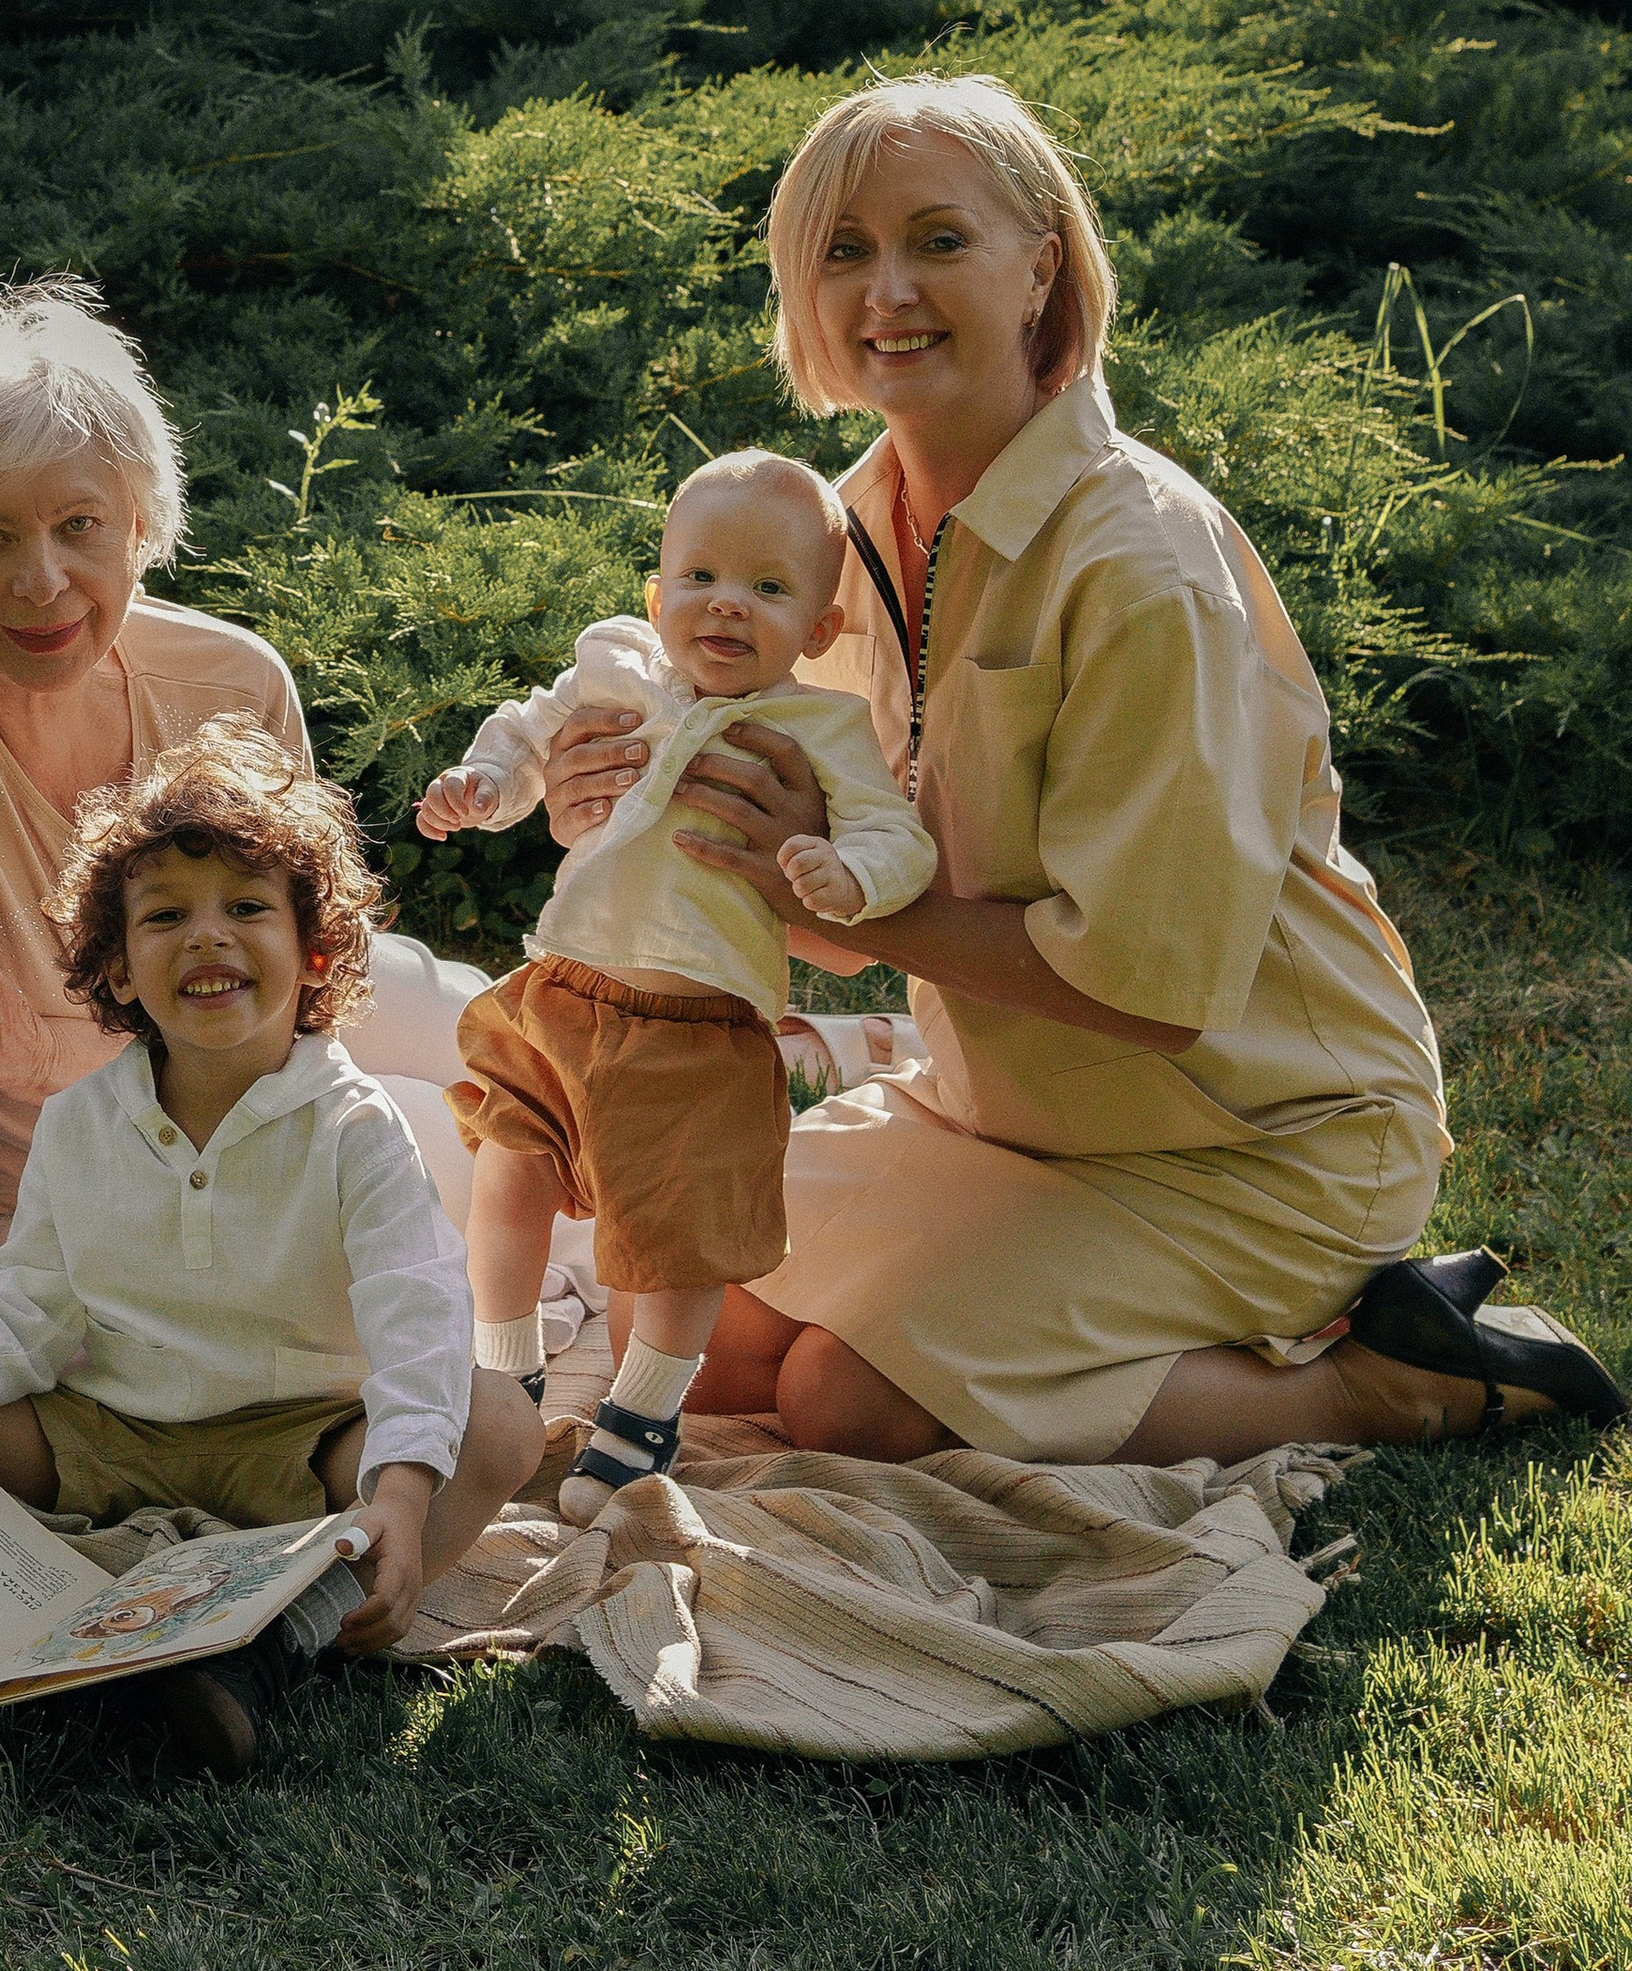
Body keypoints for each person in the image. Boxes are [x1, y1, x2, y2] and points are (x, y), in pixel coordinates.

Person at [552, 76, 1620, 1465]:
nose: (887, 290)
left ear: (1040, 267)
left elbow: (1151, 989)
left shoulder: (1146, 565)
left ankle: (1392, 1381)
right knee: (678, 1315)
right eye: (843, 249)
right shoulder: (824, 541)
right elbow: (839, 918)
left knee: (842, 1401)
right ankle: (1076, 1331)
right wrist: (642, 819)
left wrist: (840, 890)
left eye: (939, 240)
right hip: (1003, 1114)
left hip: (1255, 1136)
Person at [0, 718, 542, 1777]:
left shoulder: (356, 1129)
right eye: (165, 916)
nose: (207, 937)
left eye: (246, 909)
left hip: (303, 1447)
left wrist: (401, 1497)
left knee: (498, 1424)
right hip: (102, 1437)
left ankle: (273, 1645)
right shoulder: (81, 1121)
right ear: (119, 970)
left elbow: (416, 1317)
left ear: (315, 951)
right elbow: (30, 1302)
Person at [0, 279, 489, 1348]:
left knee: (513, 1056)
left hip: (236, 1069)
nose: (42, 582)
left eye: (79, 525)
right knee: (446, 1146)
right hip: (67, 1180)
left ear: (139, 522)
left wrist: (35, 1053)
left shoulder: (233, 682)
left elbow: (294, 1025)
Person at [420, 451, 934, 1521]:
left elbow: (898, 839)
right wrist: (489, 783)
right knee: (509, 1167)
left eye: (767, 587)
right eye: (700, 577)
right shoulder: (616, 665)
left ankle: (643, 1414)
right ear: (656, 599)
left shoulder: (822, 728)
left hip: (702, 1023)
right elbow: (528, 730)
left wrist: (849, 872)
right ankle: (502, 1371)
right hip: (564, 992)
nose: (726, 603)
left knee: (682, 1240)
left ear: (819, 631)